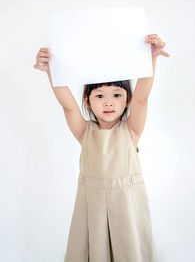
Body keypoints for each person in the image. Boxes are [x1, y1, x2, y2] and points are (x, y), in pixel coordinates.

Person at [34, 34, 170, 262]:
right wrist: (51, 69)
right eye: (100, 95)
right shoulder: (85, 132)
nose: (109, 102)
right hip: (92, 205)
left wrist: (150, 59)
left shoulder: (131, 130)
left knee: (128, 249)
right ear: (87, 101)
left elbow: (142, 99)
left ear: (127, 100)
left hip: (126, 203)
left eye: (117, 95)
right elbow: (68, 106)